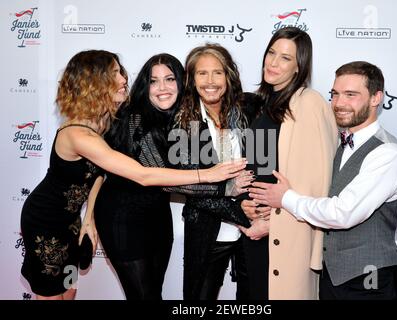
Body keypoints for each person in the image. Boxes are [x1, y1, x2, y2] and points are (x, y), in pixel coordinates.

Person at [20, 50, 247, 300]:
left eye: (170, 79)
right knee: (52, 294)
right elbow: (144, 175)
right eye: (115, 73)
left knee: (69, 288)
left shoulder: (102, 121)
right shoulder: (83, 133)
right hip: (49, 222)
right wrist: (211, 177)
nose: (123, 78)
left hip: (76, 221)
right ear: (96, 82)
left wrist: (88, 218)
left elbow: (98, 174)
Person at [248, 61, 397, 300]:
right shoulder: (336, 141)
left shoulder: (388, 154)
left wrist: (285, 198)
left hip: (372, 279)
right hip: (331, 277)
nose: (339, 103)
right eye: (335, 94)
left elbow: (343, 213)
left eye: (351, 95)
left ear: (377, 98)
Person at [92, 53, 250, 300]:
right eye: (154, 81)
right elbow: (162, 180)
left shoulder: (180, 118)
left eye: (169, 79)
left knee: (154, 292)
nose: (162, 88)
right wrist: (225, 188)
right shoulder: (136, 119)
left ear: (182, 83)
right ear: (146, 86)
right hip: (123, 219)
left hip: (157, 217)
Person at [238, 27, 338, 299]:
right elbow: (258, 168)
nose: (272, 62)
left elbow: (317, 184)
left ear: (298, 67)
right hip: (257, 228)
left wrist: (275, 223)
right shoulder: (264, 104)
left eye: (285, 58)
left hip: (286, 232)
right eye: (271, 52)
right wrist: (245, 203)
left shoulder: (308, 103)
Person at [173, 43, 259, 300]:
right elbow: (190, 185)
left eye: (217, 73)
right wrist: (239, 212)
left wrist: (255, 212)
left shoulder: (250, 110)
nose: (210, 81)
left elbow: (263, 165)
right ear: (191, 79)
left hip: (252, 231)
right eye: (202, 73)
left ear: (229, 76)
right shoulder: (182, 122)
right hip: (208, 229)